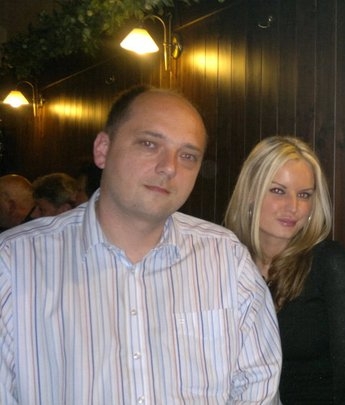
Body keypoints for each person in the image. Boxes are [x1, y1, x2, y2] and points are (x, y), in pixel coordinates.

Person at [0, 85, 282, 404]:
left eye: (188, 156)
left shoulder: (227, 260)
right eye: (149, 144)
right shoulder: (13, 264)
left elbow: (259, 388)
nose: (169, 167)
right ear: (103, 149)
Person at [224, 136, 345, 404]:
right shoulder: (223, 261)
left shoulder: (328, 263)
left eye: (304, 195)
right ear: (250, 194)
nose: (293, 207)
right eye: (278, 191)